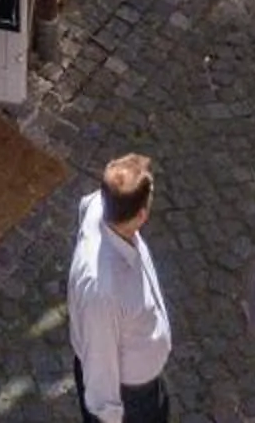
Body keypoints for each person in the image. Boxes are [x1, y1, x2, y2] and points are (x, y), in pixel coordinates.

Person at [68, 154, 174, 423]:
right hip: (128, 398)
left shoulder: (100, 205)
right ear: (141, 215)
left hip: (144, 383)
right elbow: (99, 364)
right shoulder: (102, 292)